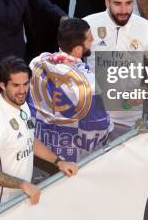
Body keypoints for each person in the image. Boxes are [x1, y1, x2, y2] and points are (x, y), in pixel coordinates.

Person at [0, 56, 78, 216]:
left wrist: (59, 161)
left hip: (20, 198)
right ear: (2, 85)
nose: (22, 91)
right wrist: (23, 184)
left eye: (25, 84)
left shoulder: (21, 104)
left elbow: (29, 139)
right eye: (16, 85)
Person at [83, 0, 148, 136]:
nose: (124, 10)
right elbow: (71, 61)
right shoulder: (88, 24)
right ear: (107, 2)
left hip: (131, 116)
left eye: (128, 3)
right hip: (93, 114)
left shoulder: (147, 29)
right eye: (117, 3)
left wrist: (146, 88)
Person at [28, 18, 111, 162]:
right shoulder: (88, 82)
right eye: (90, 39)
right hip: (72, 156)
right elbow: (102, 125)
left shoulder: (37, 63)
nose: (93, 41)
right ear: (78, 49)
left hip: (40, 146)